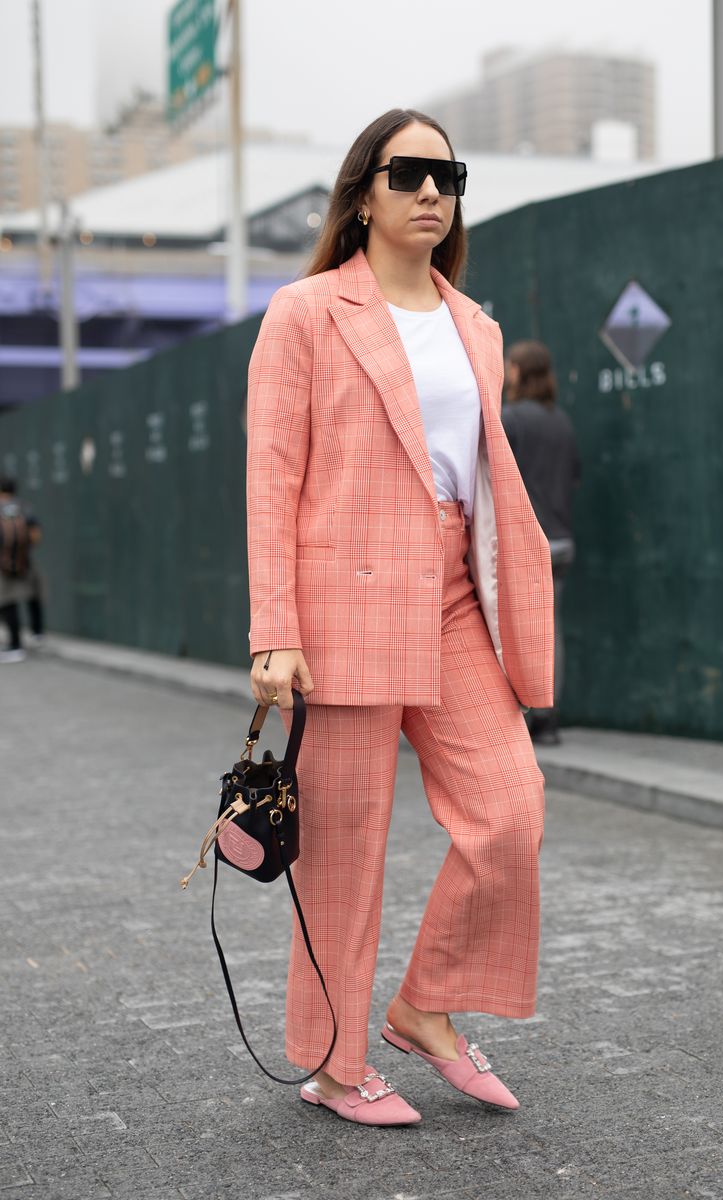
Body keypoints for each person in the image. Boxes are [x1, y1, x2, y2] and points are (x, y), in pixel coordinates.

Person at [246, 109, 553, 1127]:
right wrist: (274, 628)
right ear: (363, 191)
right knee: (344, 852)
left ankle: (422, 1006)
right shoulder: (303, 312)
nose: (432, 191)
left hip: (454, 591)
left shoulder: (476, 326)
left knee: (508, 811)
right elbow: (272, 480)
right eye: (410, 173)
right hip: (342, 601)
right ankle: (333, 1067)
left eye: (447, 175)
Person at [502, 342, 581, 744]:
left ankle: (520, 716)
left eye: (509, 365)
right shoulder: (562, 423)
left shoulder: (510, 419)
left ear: (518, 372)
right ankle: (548, 720)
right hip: (562, 541)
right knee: (552, 631)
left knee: (512, 631)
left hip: (526, 543)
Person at [0, 477, 41, 663]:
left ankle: (15, 645)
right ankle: (38, 633)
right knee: (32, 594)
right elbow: (36, 535)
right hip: (25, 560)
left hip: (3, 564)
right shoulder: (24, 507)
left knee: (8, 601)